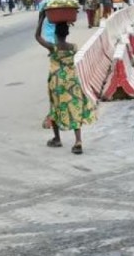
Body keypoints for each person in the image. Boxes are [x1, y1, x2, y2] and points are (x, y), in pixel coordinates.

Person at [35, 8, 95, 153]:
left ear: (55, 34)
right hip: (71, 81)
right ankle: (78, 140)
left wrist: (41, 19)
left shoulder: (53, 47)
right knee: (74, 107)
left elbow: (37, 37)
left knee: (55, 108)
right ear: (67, 33)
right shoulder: (73, 47)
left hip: (56, 82)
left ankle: (57, 139)